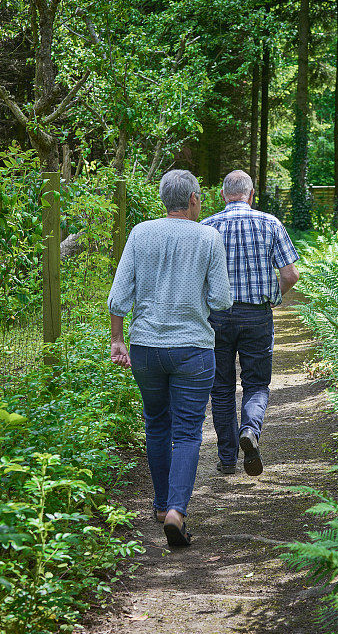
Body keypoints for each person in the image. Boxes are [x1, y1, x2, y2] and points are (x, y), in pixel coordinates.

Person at [107, 170, 232, 547]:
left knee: (156, 422)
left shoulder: (140, 233)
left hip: (145, 348)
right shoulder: (209, 237)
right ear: (193, 198)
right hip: (193, 349)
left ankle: (161, 506)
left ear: (165, 199)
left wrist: (117, 340)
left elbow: (118, 296)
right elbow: (222, 301)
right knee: (188, 431)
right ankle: (177, 510)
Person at [201, 170, 299, 476]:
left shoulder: (206, 227)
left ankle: (227, 459)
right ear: (251, 194)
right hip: (256, 315)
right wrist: (272, 298)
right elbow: (290, 275)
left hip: (217, 318)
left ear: (222, 195)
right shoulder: (270, 223)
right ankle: (250, 431)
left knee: (221, 389)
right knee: (256, 384)